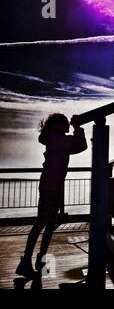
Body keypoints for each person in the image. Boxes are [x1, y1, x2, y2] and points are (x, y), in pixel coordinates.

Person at [15, 113, 87, 278]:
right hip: (51, 187)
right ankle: (26, 262)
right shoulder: (57, 139)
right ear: (56, 125)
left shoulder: (57, 139)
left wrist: (76, 129)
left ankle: (39, 260)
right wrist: (78, 128)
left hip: (53, 186)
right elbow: (81, 145)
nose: (67, 124)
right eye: (64, 122)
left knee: (48, 224)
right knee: (41, 223)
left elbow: (78, 145)